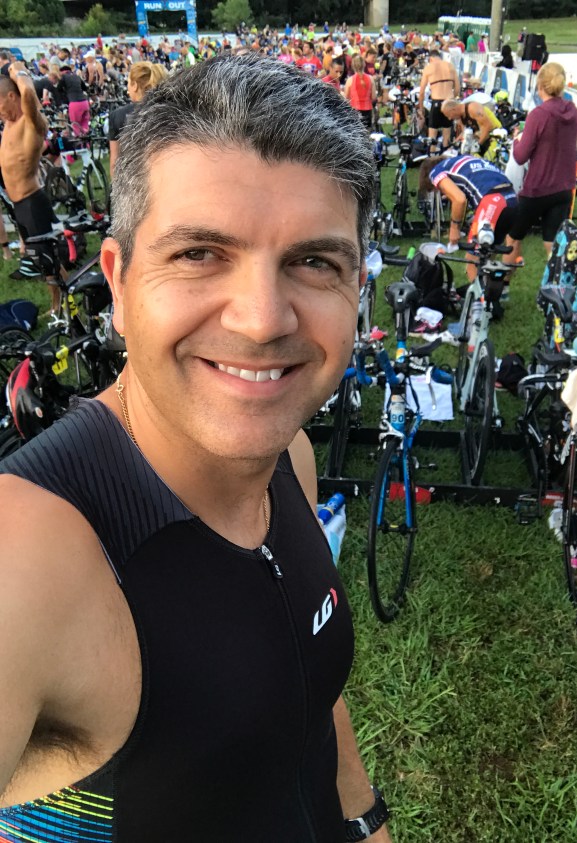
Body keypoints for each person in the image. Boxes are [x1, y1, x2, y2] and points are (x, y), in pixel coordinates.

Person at [0, 53, 392, 843]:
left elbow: (311, 690)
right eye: (199, 253)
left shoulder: (291, 460)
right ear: (118, 282)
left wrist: (365, 818)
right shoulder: (31, 554)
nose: (262, 318)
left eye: (314, 261)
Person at [507, 62, 577, 263]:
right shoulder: (573, 112)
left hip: (538, 188)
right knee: (553, 242)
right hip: (564, 187)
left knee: (513, 237)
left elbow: (521, 156)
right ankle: (561, 280)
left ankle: (502, 280)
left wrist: (517, 140)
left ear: (540, 86)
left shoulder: (538, 115)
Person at [0, 63, 60, 295]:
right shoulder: (10, 121)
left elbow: (27, 91)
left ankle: (58, 306)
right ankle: (65, 298)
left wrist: (16, 69)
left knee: (48, 263)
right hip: (19, 206)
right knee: (41, 260)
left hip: (32, 203)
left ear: (11, 97)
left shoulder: (29, 121)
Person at [418, 153, 518, 281]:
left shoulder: (436, 172)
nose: (442, 193)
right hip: (512, 199)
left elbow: (459, 199)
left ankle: (478, 293)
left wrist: (454, 229)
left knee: (472, 261)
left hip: (492, 202)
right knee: (487, 255)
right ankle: (494, 290)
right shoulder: (463, 161)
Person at [108, 61, 168, 177]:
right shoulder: (165, 110)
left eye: (128, 83)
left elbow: (114, 161)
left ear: (135, 85)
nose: (128, 88)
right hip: (162, 175)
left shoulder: (117, 116)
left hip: (132, 178)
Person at [417, 50, 459, 150]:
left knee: (432, 136)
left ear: (431, 58)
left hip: (436, 101)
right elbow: (457, 88)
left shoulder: (429, 68)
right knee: (447, 135)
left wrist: (421, 108)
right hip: (449, 101)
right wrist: (452, 99)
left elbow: (422, 92)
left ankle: (432, 155)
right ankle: (446, 154)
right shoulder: (450, 66)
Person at [344, 53, 377, 128]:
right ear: (364, 64)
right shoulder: (370, 78)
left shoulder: (350, 80)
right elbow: (374, 97)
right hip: (367, 110)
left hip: (354, 110)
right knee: (367, 131)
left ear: (353, 66)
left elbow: (346, 97)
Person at [58, 62, 90, 135]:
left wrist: (65, 93)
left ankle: (78, 141)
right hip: (85, 103)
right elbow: (85, 88)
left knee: (75, 126)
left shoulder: (64, 77)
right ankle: (86, 140)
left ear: (62, 72)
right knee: (85, 125)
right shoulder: (77, 76)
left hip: (74, 103)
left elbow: (58, 89)